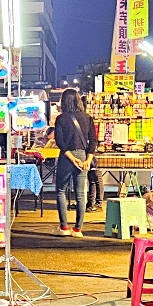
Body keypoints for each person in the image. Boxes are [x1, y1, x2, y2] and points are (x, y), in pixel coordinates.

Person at [53, 87, 97, 237]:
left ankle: (64, 228)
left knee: (60, 190)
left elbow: (60, 141)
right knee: (80, 193)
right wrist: (87, 160)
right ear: (78, 100)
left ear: (64, 101)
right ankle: (78, 229)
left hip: (67, 157)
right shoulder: (88, 118)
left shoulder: (61, 119)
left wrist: (72, 158)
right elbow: (93, 142)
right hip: (83, 156)